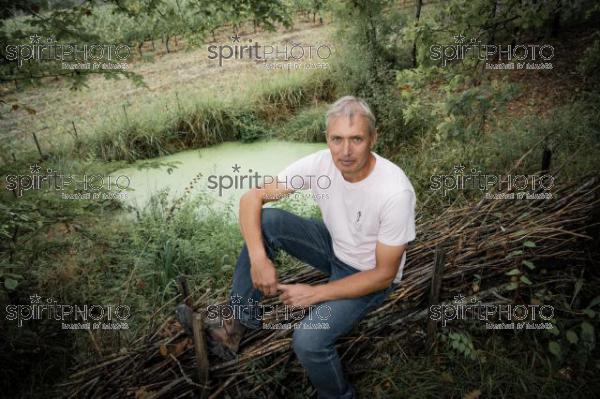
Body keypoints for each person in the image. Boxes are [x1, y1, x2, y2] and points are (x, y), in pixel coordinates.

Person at [179, 95, 416, 399]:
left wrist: (316, 293)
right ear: (326, 139)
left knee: (309, 340)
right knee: (270, 221)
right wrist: (258, 258)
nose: (345, 151)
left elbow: (384, 274)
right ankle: (236, 325)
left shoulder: (394, 191)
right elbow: (251, 198)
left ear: (373, 138)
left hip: (367, 273)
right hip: (335, 245)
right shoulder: (320, 164)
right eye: (337, 139)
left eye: (356, 139)